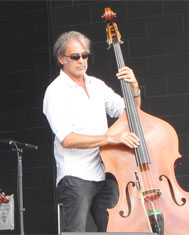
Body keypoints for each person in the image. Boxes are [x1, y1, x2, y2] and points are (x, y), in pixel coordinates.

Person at [43, 31, 141, 232]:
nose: (82, 61)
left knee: (116, 229)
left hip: (105, 172)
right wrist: (110, 139)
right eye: (75, 57)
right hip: (76, 174)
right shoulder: (55, 91)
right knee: (76, 231)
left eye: (85, 55)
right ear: (61, 58)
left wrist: (134, 86)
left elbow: (131, 114)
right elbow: (67, 139)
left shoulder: (96, 85)